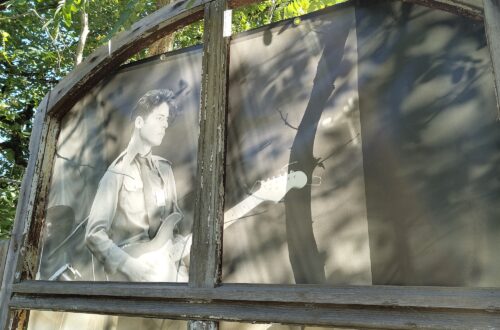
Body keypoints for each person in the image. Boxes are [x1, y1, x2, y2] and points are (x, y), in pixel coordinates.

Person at [85, 89, 189, 282]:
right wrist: (129, 265)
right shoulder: (116, 172)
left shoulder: (165, 171)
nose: (164, 125)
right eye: (159, 118)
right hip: (130, 278)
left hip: (168, 275)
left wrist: (181, 269)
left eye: (166, 120)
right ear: (140, 122)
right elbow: (94, 234)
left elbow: (174, 232)